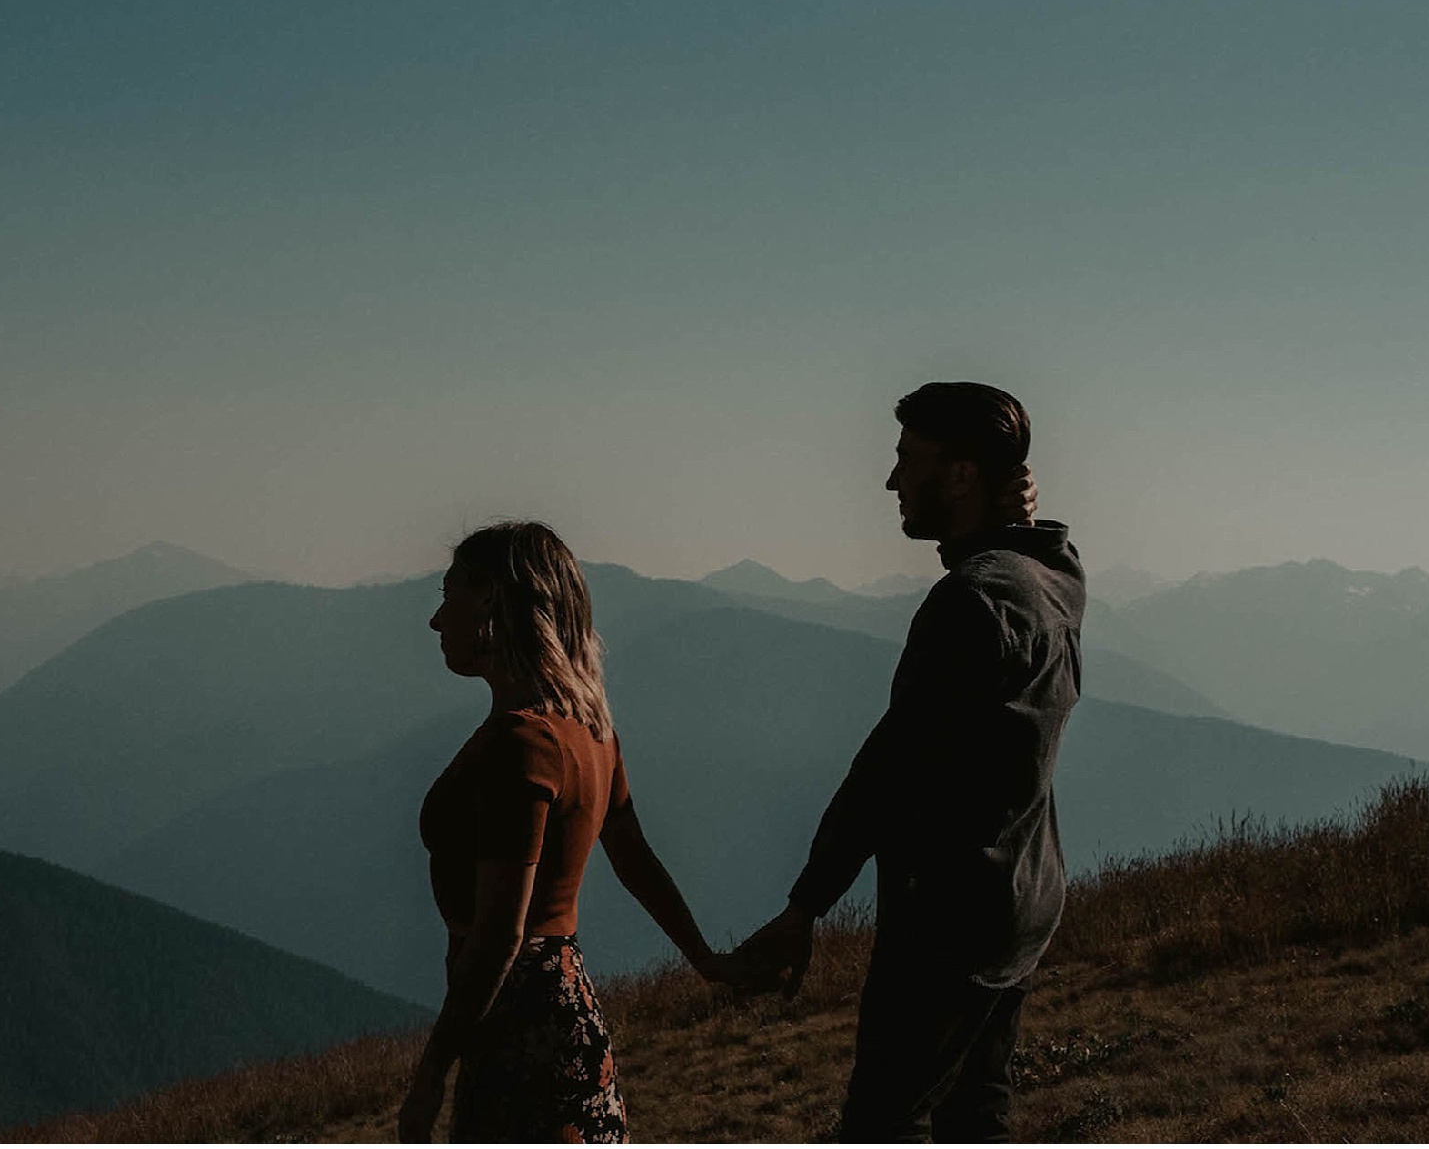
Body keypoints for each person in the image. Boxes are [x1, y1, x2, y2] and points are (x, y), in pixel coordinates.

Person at [735, 381, 1087, 1143]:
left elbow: (888, 772)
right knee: (976, 1115)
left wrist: (806, 906)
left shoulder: (970, 602)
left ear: (960, 477)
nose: (893, 480)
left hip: (948, 928)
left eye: (908, 459)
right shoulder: (1053, 583)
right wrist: (1014, 518)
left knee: (882, 1125)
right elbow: (1051, 549)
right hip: (1021, 907)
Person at [399, 521, 742, 1143]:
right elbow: (635, 858)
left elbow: (503, 930)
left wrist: (432, 1068)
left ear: (493, 604)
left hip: (515, 1018)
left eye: (448, 595)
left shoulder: (521, 742)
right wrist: (705, 960)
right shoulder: (590, 728)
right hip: (564, 1009)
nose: (435, 620)